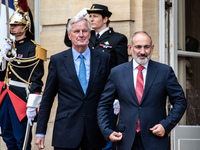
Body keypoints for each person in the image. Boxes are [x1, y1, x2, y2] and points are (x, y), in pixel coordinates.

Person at [97, 31, 187, 150]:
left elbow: (180, 101)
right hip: (125, 140)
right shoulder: (117, 73)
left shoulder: (164, 72)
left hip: (155, 139)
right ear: (130, 48)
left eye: (146, 47)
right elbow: (104, 104)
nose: (143, 52)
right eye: (138, 47)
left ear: (152, 48)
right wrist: (107, 131)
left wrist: (166, 125)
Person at [35, 16, 111, 150]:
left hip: (94, 132)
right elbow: (47, 98)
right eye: (76, 31)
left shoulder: (103, 58)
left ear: (90, 34)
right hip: (66, 131)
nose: (81, 35)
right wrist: (40, 131)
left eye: (84, 31)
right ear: (69, 35)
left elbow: (109, 95)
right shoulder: (58, 60)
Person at [0, 0, 46, 149]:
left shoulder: (34, 49)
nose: (12, 28)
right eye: (11, 25)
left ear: (25, 26)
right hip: (5, 95)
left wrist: (33, 103)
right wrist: (3, 55)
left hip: (20, 98)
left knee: (22, 139)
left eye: (16, 25)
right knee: (7, 136)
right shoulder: (8, 47)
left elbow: (36, 78)